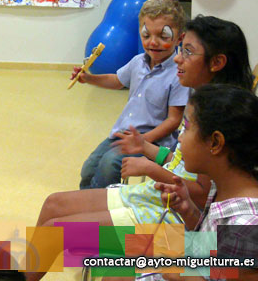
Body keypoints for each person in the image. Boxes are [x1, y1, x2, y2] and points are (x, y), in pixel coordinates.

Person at [26, 15, 254, 281]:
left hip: (170, 219)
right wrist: (146, 148)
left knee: (60, 231)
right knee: (54, 204)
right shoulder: (200, 102)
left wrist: (152, 168)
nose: (178, 59)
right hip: (170, 204)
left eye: (188, 52)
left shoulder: (221, 117)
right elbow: (184, 167)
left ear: (217, 62)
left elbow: (203, 198)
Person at [73, 0, 190, 189]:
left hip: (152, 140)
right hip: (123, 133)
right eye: (146, 35)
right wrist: (89, 78)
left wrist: (143, 141)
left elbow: (173, 121)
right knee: (89, 168)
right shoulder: (138, 62)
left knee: (109, 165)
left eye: (163, 36)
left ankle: (103, 203)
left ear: (179, 38)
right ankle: (88, 200)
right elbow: (117, 81)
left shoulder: (178, 74)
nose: (153, 42)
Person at [151, 84, 258, 281]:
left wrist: (184, 275)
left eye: (186, 128)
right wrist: (189, 210)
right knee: (110, 252)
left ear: (215, 142)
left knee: (111, 259)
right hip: (193, 254)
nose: (180, 139)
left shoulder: (244, 227)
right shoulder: (224, 183)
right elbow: (212, 244)